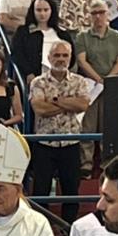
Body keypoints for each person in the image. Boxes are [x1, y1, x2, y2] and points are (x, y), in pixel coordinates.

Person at [28, 40, 90, 207]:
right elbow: (40, 109)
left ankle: (68, 229)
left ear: (70, 58)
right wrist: (68, 104)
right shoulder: (38, 83)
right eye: (57, 55)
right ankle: (42, 230)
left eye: (65, 55)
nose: (61, 59)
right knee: (41, 191)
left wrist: (54, 100)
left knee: (71, 192)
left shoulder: (80, 81)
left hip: (71, 143)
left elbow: (83, 105)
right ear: (49, 58)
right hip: (44, 144)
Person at [74, 1, 118, 177]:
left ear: (107, 14)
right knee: (88, 125)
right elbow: (82, 60)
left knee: (109, 124)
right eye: (94, 13)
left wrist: (108, 79)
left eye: (101, 12)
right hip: (90, 85)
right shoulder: (83, 37)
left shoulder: (117, 36)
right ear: (89, 16)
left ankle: (108, 164)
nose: (98, 16)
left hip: (112, 85)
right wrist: (97, 79)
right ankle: (86, 164)